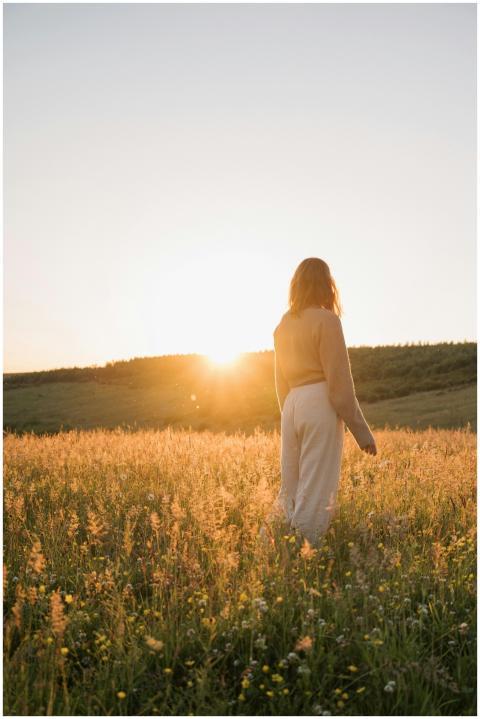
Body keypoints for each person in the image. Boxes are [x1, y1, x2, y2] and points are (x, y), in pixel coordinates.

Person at [273, 257, 377, 547]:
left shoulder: (282, 325)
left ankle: (273, 546)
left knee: (290, 487)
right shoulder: (327, 321)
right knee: (316, 487)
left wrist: (291, 415)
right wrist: (362, 433)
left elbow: (280, 383)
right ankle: (302, 556)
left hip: (292, 405)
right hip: (319, 402)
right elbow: (340, 388)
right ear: (327, 285)